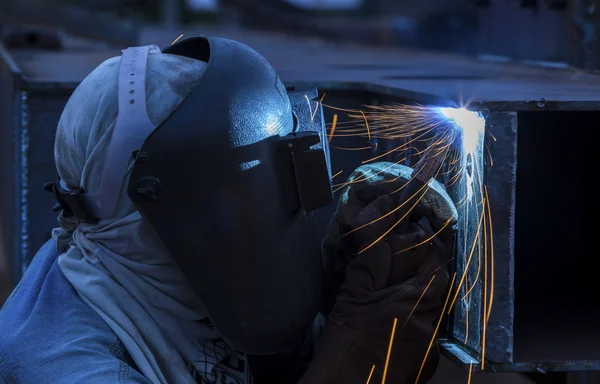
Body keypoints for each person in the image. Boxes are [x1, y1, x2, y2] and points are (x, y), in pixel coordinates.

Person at [0, 36, 456, 384]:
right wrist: (360, 356)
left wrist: (338, 279)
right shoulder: (67, 368)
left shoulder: (163, 275)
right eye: (255, 190)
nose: (274, 205)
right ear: (160, 209)